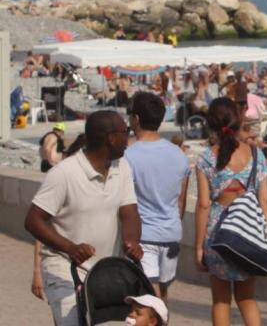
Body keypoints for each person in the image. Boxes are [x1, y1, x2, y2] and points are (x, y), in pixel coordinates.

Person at [24, 110, 143, 326]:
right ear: (111, 138)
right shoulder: (64, 174)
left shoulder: (122, 167)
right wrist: (70, 248)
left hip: (107, 270)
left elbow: (130, 212)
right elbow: (33, 220)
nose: (129, 138)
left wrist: (132, 241)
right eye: (125, 132)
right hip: (65, 268)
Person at [194, 97, 267, 326]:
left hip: (219, 234)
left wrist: (199, 247)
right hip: (248, 232)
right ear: (238, 121)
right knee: (247, 298)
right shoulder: (256, 155)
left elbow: (204, 205)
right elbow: (264, 201)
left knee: (220, 301)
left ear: (211, 125)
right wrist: (264, 236)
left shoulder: (206, 158)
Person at [125, 92, 191, 304]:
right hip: (171, 234)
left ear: (135, 119)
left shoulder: (128, 156)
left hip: (144, 236)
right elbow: (181, 203)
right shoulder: (179, 155)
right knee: (162, 298)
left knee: (147, 300)